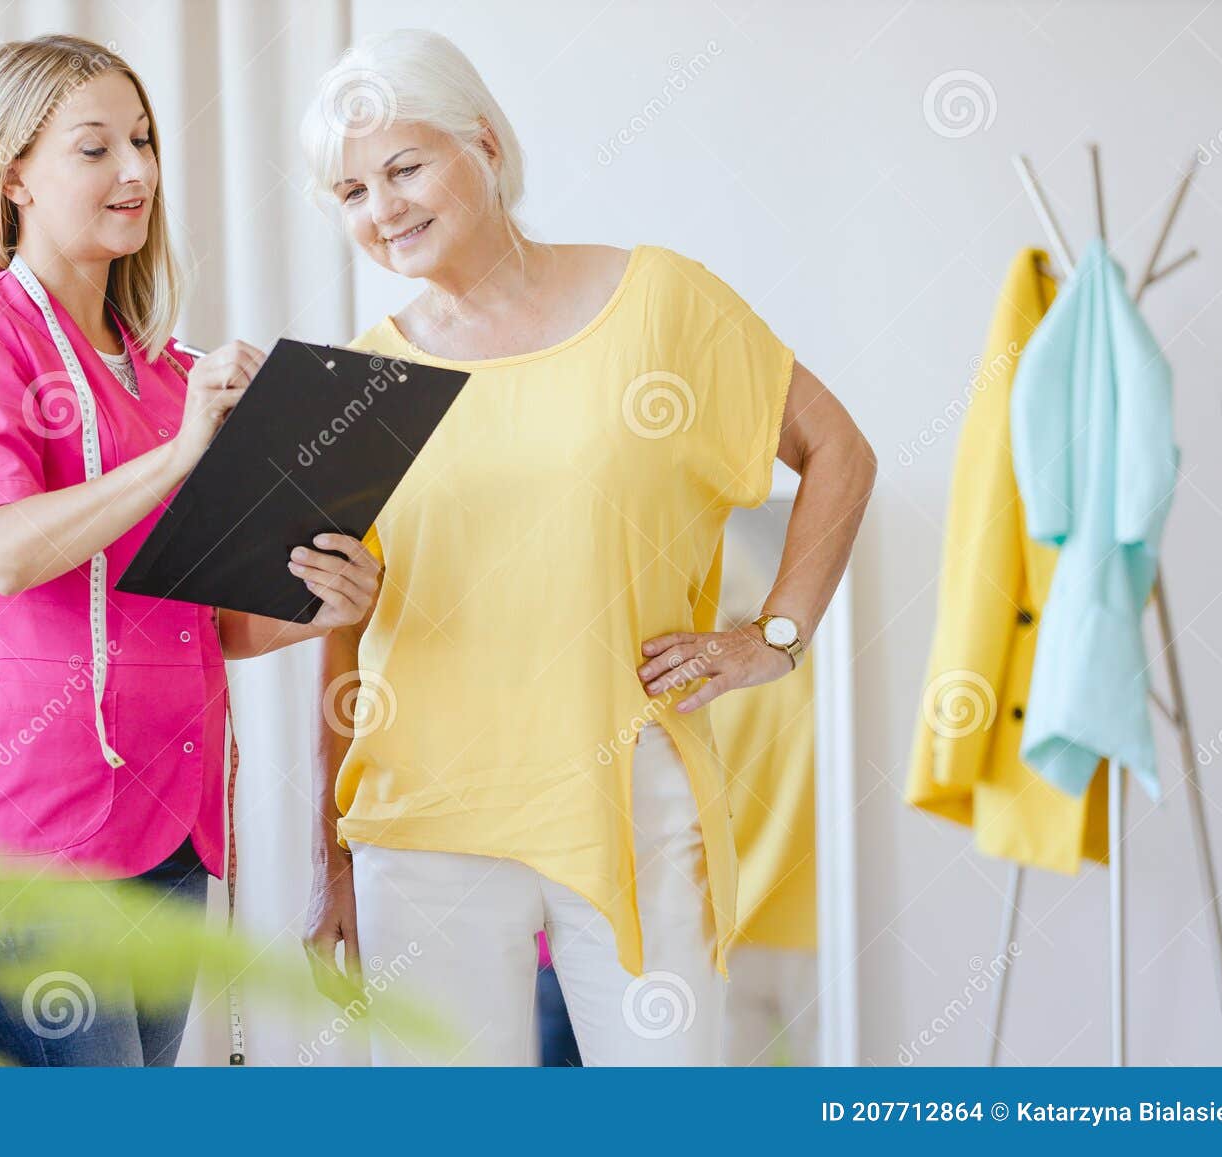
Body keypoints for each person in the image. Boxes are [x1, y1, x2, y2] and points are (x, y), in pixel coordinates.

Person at [298, 29, 874, 1065]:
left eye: (402, 166)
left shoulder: (660, 304)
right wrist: (325, 862)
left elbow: (837, 447)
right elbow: (342, 639)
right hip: (420, 821)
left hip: (634, 797)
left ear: (482, 142)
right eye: (349, 193)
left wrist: (773, 635)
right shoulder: (360, 381)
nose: (381, 208)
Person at [0, 34, 380, 1066]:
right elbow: (6, 553)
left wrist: (318, 604)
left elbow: (197, 618)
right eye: (96, 147)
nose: (138, 172)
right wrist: (179, 454)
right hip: (26, 836)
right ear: (13, 174)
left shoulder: (174, 373)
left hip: (170, 831)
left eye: (146, 141)